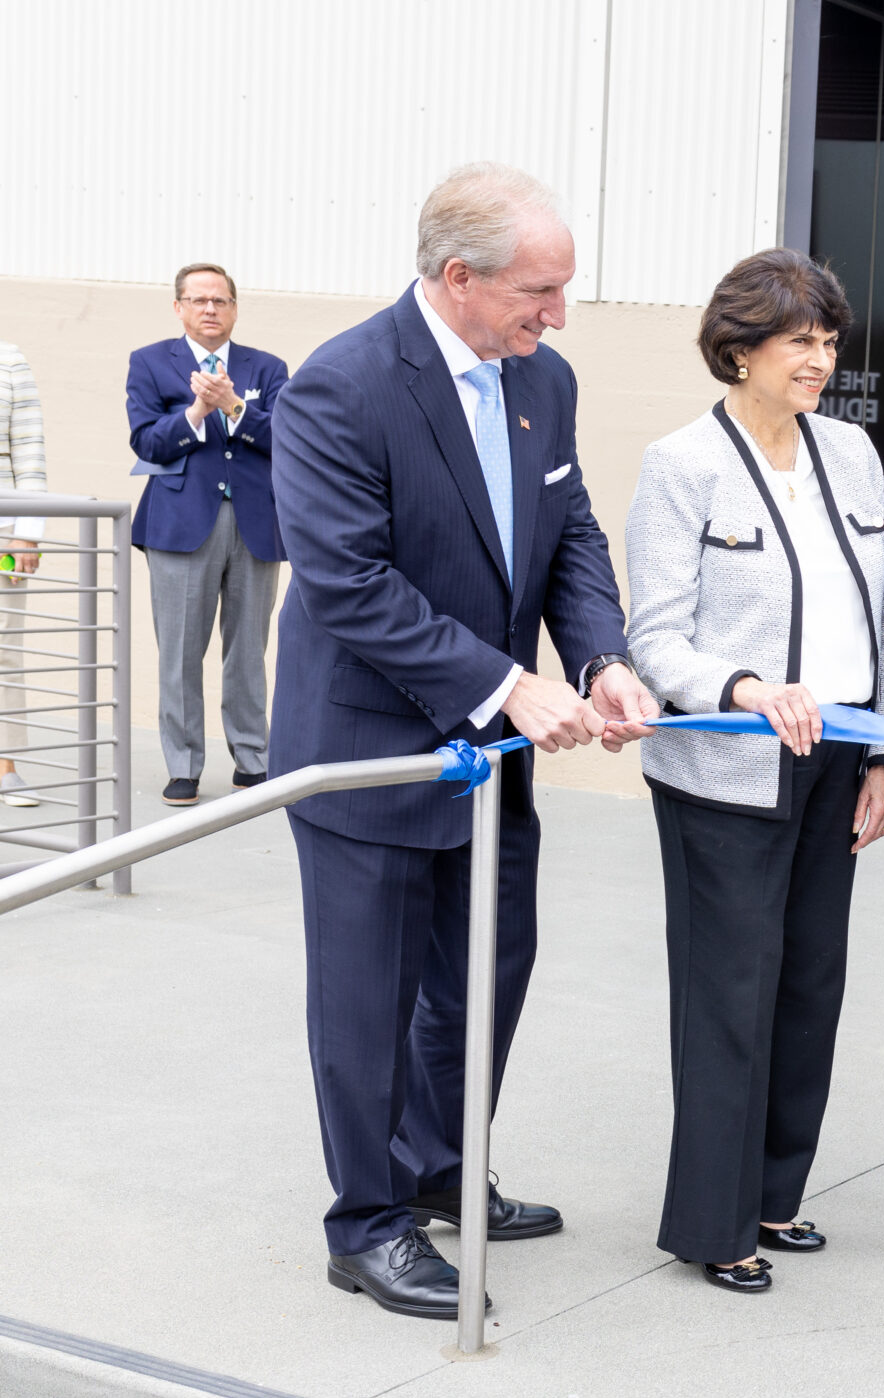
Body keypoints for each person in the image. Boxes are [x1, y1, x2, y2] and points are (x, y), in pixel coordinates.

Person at [270, 164, 655, 1318]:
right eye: (540, 290)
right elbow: (349, 583)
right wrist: (506, 682)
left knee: (486, 974)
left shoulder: (546, 379)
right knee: (368, 1002)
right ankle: (368, 1222)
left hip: (493, 760)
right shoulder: (340, 388)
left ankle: (439, 1168)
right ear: (458, 278)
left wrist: (598, 658)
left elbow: (569, 530)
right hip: (373, 758)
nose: (559, 314)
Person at [625, 249, 884, 1295]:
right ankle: (713, 1221)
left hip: (835, 757)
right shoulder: (681, 463)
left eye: (830, 343)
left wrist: (882, 750)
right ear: (740, 348)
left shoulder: (851, 453)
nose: (821, 361)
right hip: (727, 769)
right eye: (802, 341)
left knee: (808, 989)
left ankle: (776, 1196)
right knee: (728, 996)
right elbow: (654, 636)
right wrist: (744, 687)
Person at [125, 265, 290, 805]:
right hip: (178, 525)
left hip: (254, 524)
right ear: (179, 308)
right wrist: (197, 410)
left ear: (235, 308)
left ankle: (252, 760)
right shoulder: (150, 362)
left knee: (248, 649)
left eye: (220, 300)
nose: (210, 309)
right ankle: (183, 766)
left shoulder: (266, 367)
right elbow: (147, 442)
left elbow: (288, 438)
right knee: (178, 651)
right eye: (197, 300)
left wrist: (234, 406)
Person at [1, 340, 45, 807]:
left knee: (3, 650)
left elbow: (29, 450)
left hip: (4, 527)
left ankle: (6, 767)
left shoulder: (10, 360)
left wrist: (27, 533)